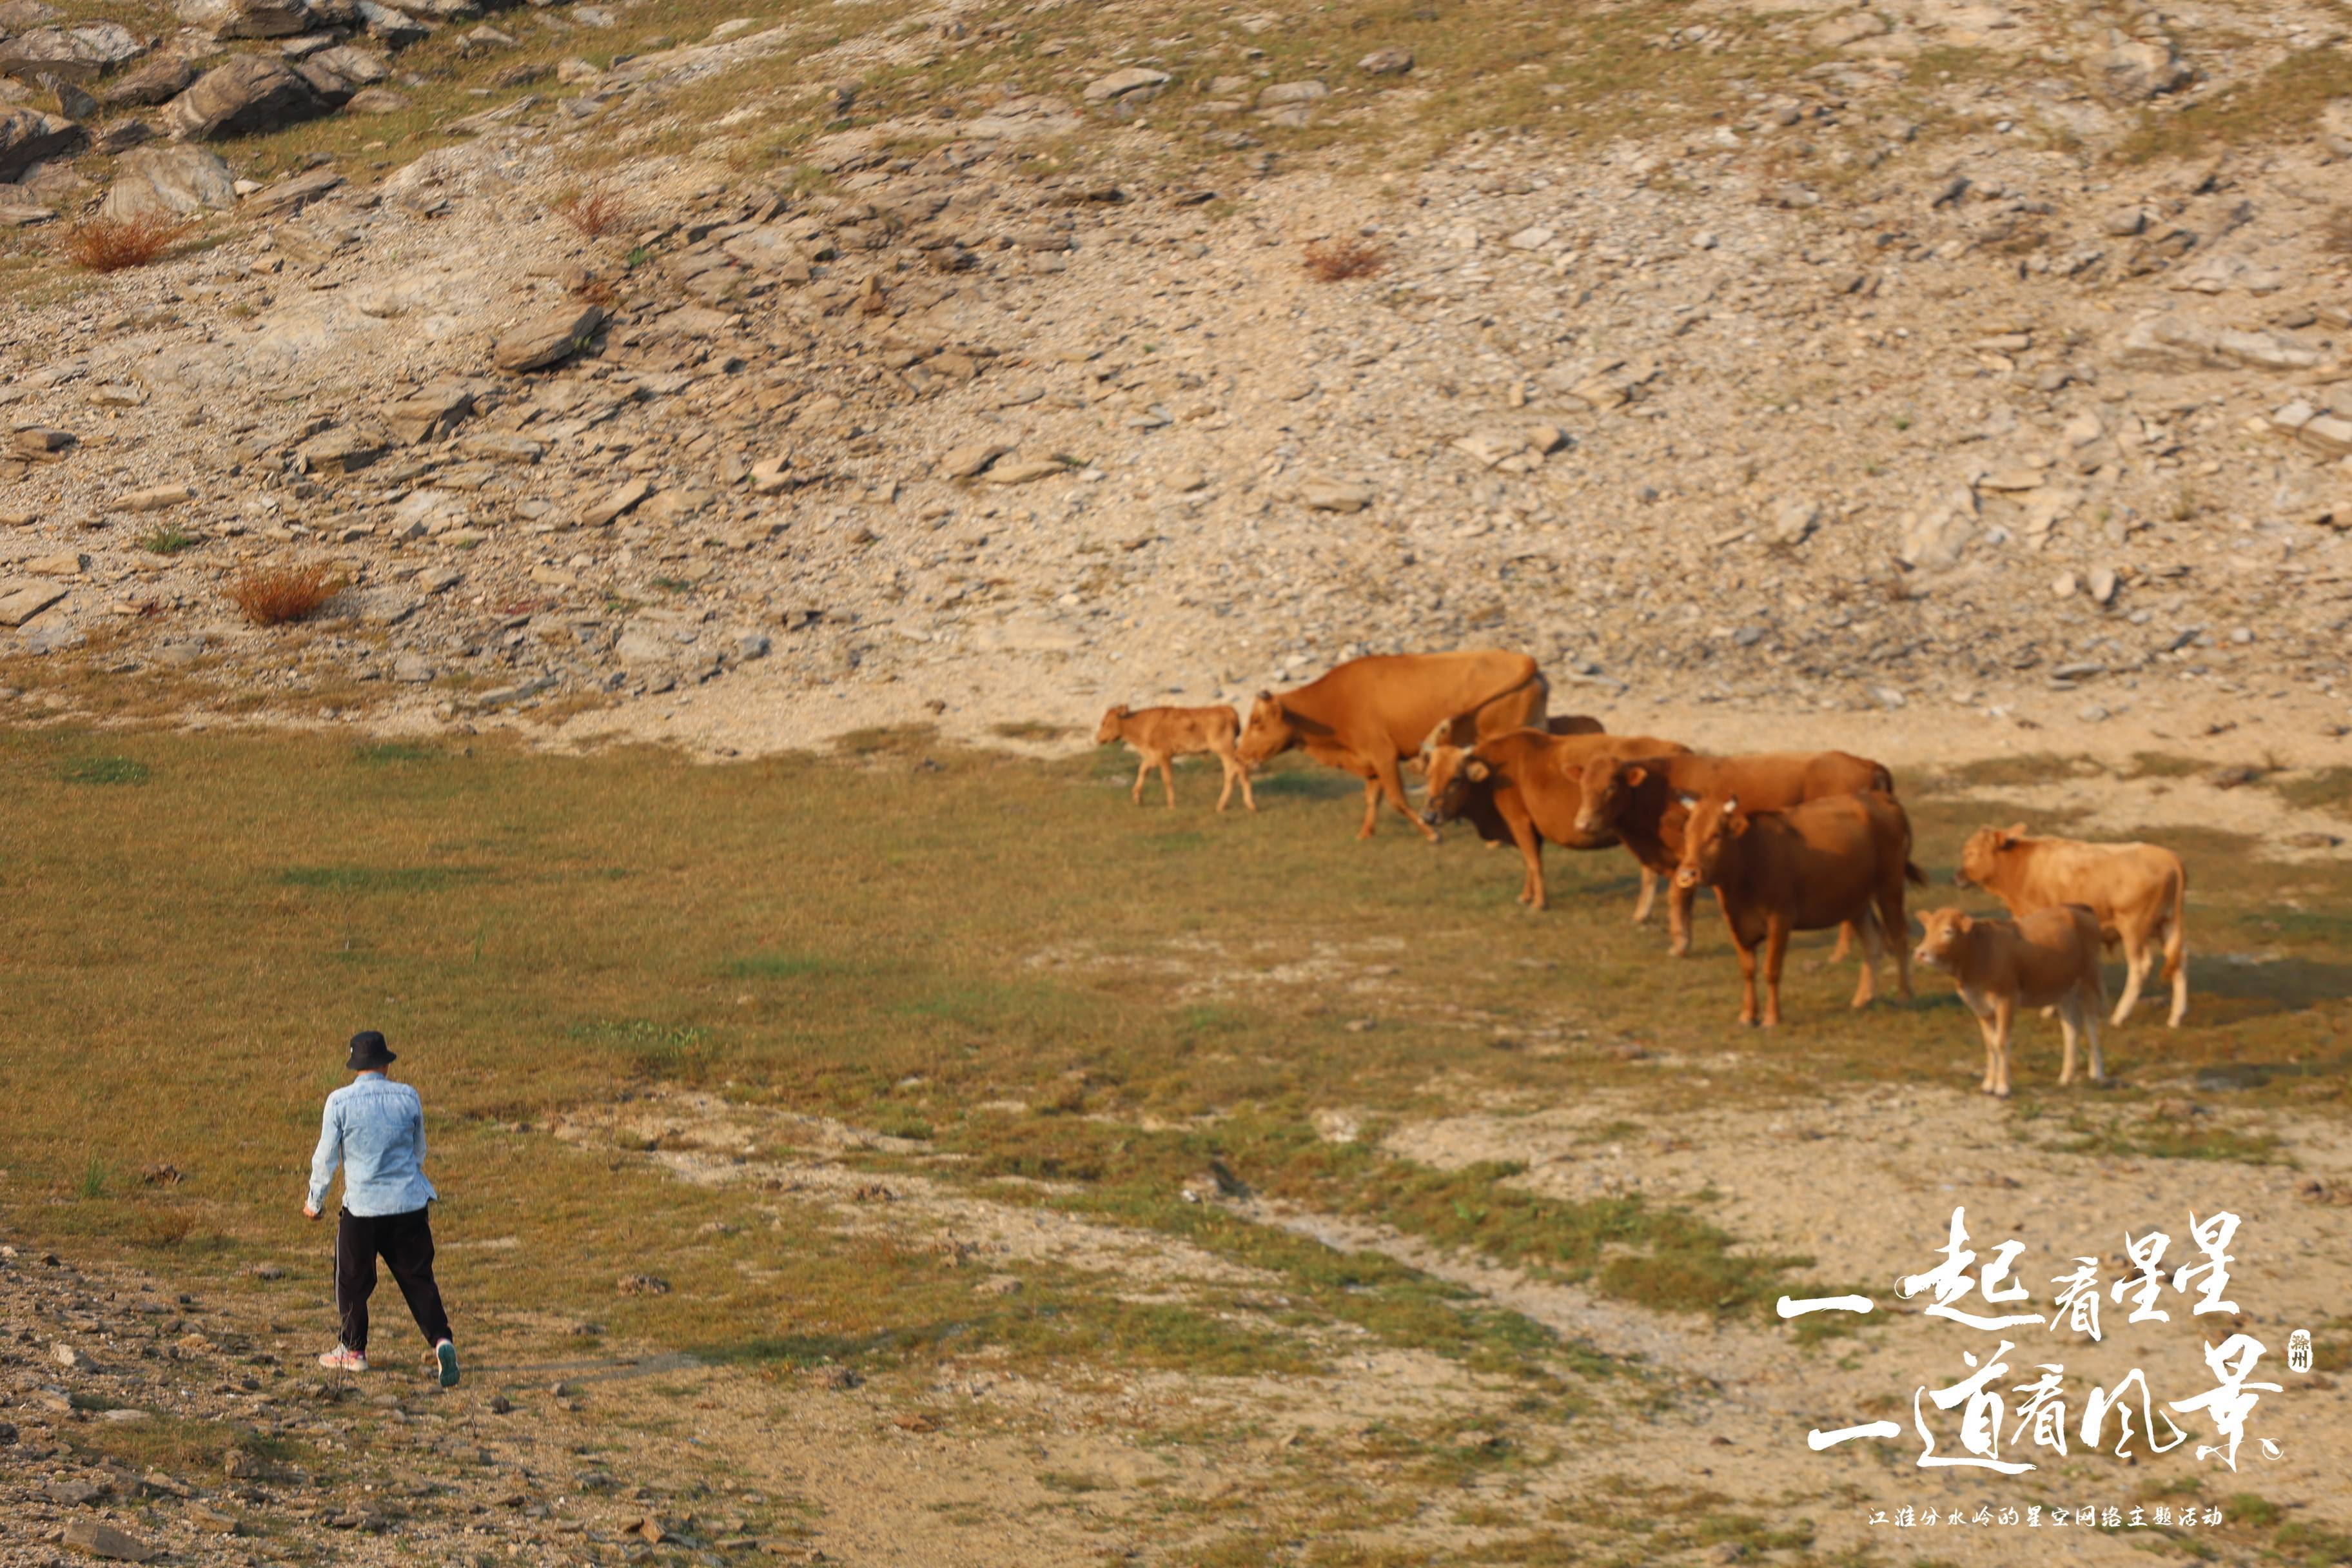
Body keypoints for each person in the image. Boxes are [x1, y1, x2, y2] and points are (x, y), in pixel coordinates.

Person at [304, 1030, 459, 1387]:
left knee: (352, 1281)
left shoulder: (339, 1102)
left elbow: (325, 1157)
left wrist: (315, 1201)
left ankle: (352, 1350)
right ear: (386, 1064)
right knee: (419, 1280)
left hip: (362, 1209)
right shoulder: (408, 1096)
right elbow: (419, 1150)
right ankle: (441, 1341)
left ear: (355, 1065)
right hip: (409, 1205)